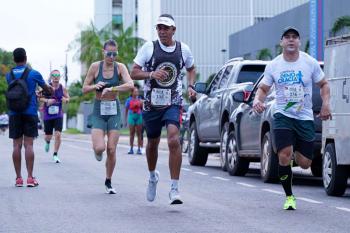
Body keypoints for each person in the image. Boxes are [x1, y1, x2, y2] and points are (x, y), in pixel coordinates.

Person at [253, 27, 331, 210]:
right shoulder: (274, 65)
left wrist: (326, 104)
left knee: (305, 163)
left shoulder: (309, 62)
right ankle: (289, 196)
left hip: (304, 117)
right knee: (283, 156)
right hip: (282, 115)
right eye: (287, 37)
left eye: (294, 37)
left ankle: (295, 150)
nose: (290, 40)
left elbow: (324, 84)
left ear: (299, 42)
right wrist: (257, 99)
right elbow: (263, 89)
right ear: (281, 42)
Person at [131, 14, 196, 204]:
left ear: (173, 30)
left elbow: (192, 68)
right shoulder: (149, 48)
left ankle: (174, 188)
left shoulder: (183, 49)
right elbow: (133, 71)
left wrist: (191, 86)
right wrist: (151, 74)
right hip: (151, 103)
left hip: (173, 101)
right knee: (152, 144)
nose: (162, 31)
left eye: (166, 28)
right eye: (159, 28)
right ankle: (152, 176)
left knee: (174, 139)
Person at [82, 39, 134, 194]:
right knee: (100, 148)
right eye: (109, 53)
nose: (112, 57)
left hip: (114, 110)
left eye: (114, 53)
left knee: (111, 149)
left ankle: (108, 180)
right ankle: (97, 150)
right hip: (98, 109)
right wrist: (94, 86)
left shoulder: (120, 67)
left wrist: (112, 87)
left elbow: (130, 85)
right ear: (103, 52)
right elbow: (84, 88)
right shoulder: (95, 67)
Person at [5, 48, 53, 187]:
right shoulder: (34, 73)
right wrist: (48, 90)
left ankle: (18, 179)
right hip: (30, 111)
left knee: (16, 145)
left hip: (14, 113)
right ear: (26, 58)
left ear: (14, 60)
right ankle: (30, 178)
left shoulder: (9, 75)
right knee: (29, 145)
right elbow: (47, 89)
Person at [39, 70, 70, 163]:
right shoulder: (46, 87)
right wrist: (47, 101)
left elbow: (68, 98)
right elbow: (39, 97)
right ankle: (48, 142)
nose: (56, 77)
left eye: (57, 75)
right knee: (48, 136)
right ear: (51, 77)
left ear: (60, 77)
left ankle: (55, 154)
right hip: (48, 115)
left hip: (58, 115)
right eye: (54, 75)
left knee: (58, 134)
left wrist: (66, 99)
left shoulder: (62, 88)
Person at [124, 84, 143, 155]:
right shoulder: (128, 100)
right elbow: (126, 110)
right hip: (131, 116)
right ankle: (131, 148)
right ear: (132, 92)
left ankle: (139, 149)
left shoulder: (140, 100)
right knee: (131, 133)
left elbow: (143, 108)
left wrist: (142, 103)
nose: (136, 93)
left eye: (137, 92)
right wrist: (125, 120)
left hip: (139, 116)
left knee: (139, 134)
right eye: (135, 91)